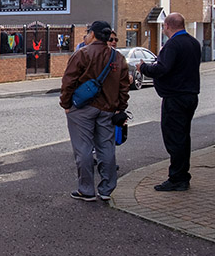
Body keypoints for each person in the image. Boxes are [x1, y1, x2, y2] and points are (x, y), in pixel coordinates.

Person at [60, 20, 129, 202]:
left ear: (93, 34)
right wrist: (120, 108)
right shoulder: (118, 57)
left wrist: (66, 104)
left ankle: (86, 190)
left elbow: (68, 82)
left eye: (89, 32)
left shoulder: (82, 54)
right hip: (108, 109)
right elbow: (124, 86)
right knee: (106, 148)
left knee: (83, 148)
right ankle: (106, 189)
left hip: (82, 109)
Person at [138, 13, 201, 192]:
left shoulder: (173, 44)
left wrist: (143, 67)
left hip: (175, 97)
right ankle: (181, 175)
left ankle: (177, 178)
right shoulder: (193, 43)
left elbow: (162, 68)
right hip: (190, 95)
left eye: (164, 27)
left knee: (174, 139)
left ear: (167, 26)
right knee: (183, 137)